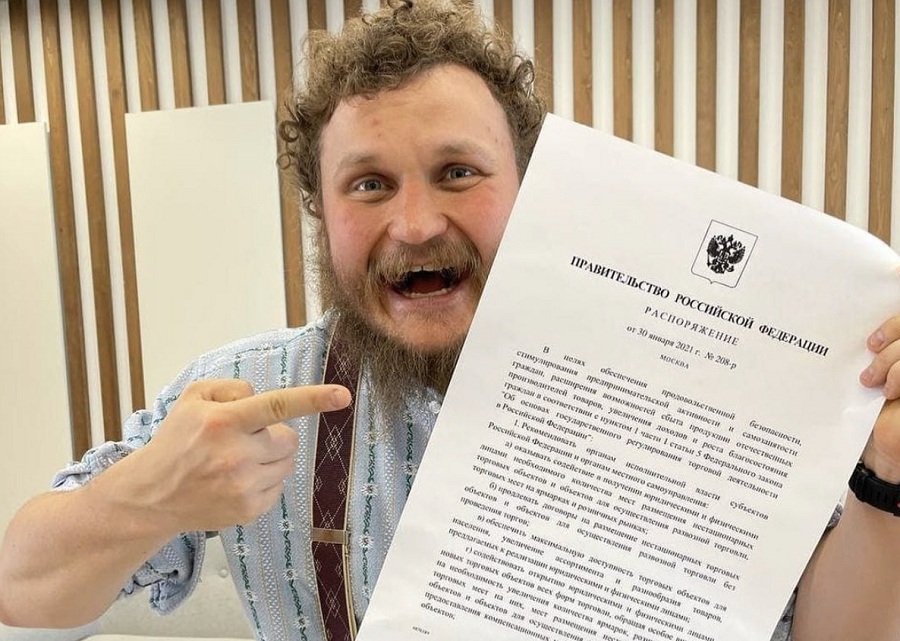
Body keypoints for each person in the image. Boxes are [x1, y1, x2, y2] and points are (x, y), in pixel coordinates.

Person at [1, 1, 899, 640]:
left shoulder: (702, 388)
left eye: (458, 172)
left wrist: (889, 472)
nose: (415, 222)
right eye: (369, 183)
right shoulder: (248, 397)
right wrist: (147, 493)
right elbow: (22, 591)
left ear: (534, 188)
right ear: (320, 212)